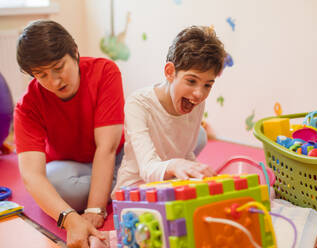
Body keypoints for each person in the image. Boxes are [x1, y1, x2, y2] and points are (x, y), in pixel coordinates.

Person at [14, 20, 124, 248]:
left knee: (194, 140)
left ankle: (115, 184)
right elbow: (32, 176)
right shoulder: (27, 106)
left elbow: (107, 148)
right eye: (41, 74)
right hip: (73, 167)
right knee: (54, 182)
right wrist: (71, 219)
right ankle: (123, 185)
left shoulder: (105, 71)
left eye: (58, 67)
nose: (54, 81)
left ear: (74, 51)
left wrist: (95, 209)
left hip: (117, 156)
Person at [112, 25, 226, 195]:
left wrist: (198, 175)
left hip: (172, 184)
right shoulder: (138, 104)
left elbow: (186, 154)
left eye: (207, 85)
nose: (199, 94)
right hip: (135, 189)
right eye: (191, 81)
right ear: (170, 72)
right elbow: (147, 168)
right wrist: (176, 165)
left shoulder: (196, 102)